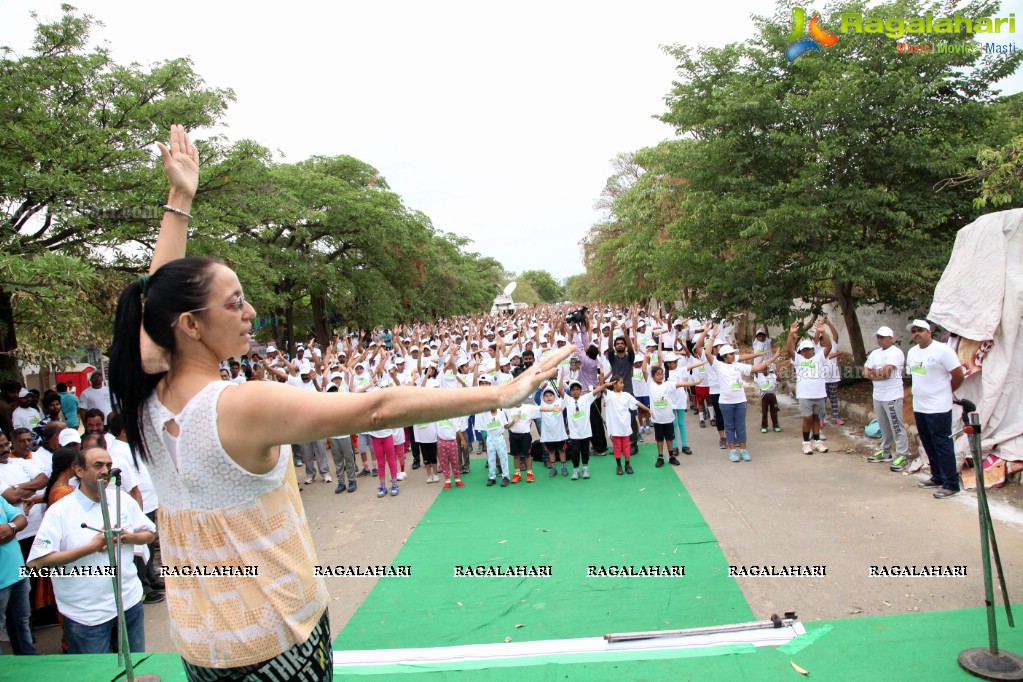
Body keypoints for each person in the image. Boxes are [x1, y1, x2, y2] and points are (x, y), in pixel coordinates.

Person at [106, 125, 573, 679]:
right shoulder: (241, 405)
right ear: (190, 325)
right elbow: (375, 409)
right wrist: (500, 393)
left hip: (201, 643)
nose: (251, 311)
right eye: (234, 304)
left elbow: (155, 303)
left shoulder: (145, 396)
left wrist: (179, 201)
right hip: (279, 635)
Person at [27, 446, 156, 654]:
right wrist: (91, 548)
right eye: (98, 465)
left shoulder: (121, 499)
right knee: (97, 675)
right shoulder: (60, 511)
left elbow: (150, 534)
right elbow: (36, 563)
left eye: (108, 465)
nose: (105, 471)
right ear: (78, 471)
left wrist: (127, 537)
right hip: (87, 615)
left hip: (129, 603)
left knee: (136, 668)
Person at [906, 320, 965, 499]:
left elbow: (958, 376)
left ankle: (951, 484)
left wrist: (946, 392)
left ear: (929, 331)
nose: (916, 334)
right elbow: (916, 376)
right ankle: (937, 476)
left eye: (920, 331)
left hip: (938, 406)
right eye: (914, 331)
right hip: (920, 406)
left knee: (942, 443)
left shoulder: (943, 351)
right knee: (928, 442)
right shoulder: (912, 352)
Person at [705, 342, 782, 462]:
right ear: (725, 356)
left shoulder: (738, 366)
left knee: (740, 427)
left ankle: (743, 450)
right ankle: (732, 452)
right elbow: (706, 352)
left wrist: (774, 357)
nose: (734, 355)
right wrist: (712, 336)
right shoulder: (717, 365)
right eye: (731, 354)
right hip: (725, 402)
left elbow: (757, 368)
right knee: (729, 427)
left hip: (740, 401)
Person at [863, 326, 911, 469]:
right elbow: (865, 372)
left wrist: (874, 374)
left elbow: (887, 374)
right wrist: (875, 374)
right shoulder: (875, 353)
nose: (879, 340)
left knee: (896, 426)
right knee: (883, 426)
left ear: (891, 338)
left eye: (882, 337)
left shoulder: (896, 353)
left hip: (892, 396)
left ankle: (902, 454)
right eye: (878, 337)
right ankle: (885, 451)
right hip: (877, 395)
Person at [787, 320, 832, 455]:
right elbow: (790, 349)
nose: (806, 352)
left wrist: (823, 331)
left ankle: (817, 442)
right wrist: (791, 334)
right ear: (801, 352)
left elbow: (829, 346)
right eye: (803, 350)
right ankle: (806, 443)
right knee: (807, 418)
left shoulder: (819, 357)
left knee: (816, 418)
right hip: (805, 395)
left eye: (808, 349)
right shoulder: (799, 360)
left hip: (819, 394)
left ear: (813, 349)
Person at [0, 490, 34, 656]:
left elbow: (21, 519)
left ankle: (29, 662)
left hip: (17, 572)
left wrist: (10, 527)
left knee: (22, 622)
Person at [604, 375, 651, 475]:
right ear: (614, 384)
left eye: (623, 382)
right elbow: (602, 387)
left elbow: (637, 403)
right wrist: (606, 382)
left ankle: (627, 464)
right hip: (616, 429)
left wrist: (648, 409)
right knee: (617, 447)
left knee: (626, 447)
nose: (623, 384)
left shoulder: (626, 395)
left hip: (625, 428)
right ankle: (618, 466)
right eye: (620, 383)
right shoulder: (609, 395)